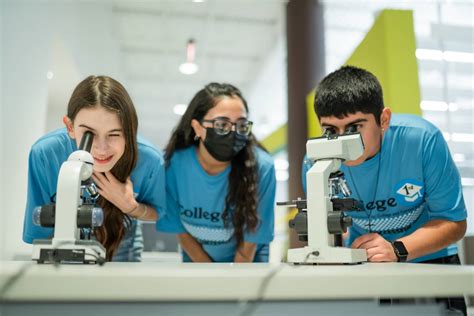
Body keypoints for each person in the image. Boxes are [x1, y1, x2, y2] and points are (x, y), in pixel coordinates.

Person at [302, 65, 468, 314]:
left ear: (384, 119)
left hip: (429, 262)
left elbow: (454, 222)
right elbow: (333, 233)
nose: (342, 141)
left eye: (354, 128)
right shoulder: (316, 163)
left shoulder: (422, 141)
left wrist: (397, 249)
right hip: (364, 269)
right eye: (330, 131)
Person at [23, 75, 166, 262]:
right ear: (70, 126)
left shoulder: (149, 160)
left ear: (129, 131)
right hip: (62, 248)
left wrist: (131, 207)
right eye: (89, 133)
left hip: (121, 247)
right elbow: (39, 233)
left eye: (114, 134)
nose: (101, 148)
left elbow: (161, 215)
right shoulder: (45, 154)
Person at [157, 82, 276, 262]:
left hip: (248, 261)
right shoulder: (172, 165)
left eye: (241, 125)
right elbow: (180, 229)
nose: (233, 132)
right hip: (196, 256)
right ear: (198, 128)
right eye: (222, 125)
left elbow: (250, 242)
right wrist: (209, 274)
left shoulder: (261, 168)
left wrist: (232, 284)